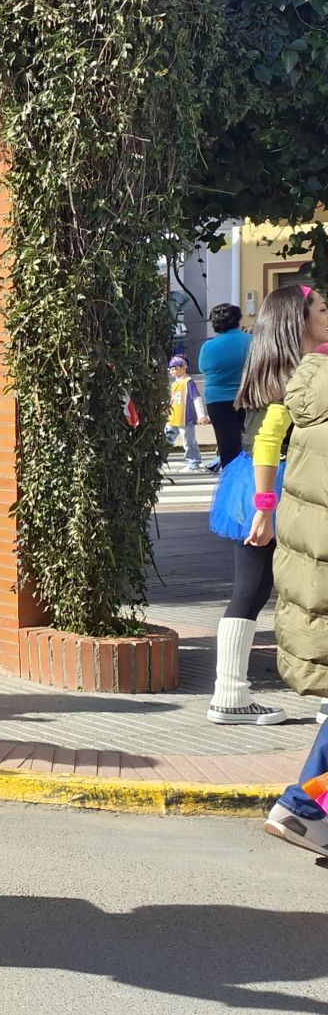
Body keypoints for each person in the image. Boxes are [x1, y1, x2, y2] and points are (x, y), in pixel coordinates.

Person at [208, 284, 326, 725]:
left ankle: (229, 694)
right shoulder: (301, 374)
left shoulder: (272, 370)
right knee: (313, 589)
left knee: (253, 590)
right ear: (300, 320)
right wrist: (265, 505)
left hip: (255, 484)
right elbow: (268, 441)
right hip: (282, 488)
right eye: (322, 308)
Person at [266, 345, 328, 853]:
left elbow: (270, 441)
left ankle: (303, 807)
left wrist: (264, 507)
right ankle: (304, 806)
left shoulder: (312, 377)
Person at [200, 304, 251, 468]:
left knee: (227, 447)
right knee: (254, 443)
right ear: (238, 320)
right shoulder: (251, 341)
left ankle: (230, 482)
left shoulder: (208, 347)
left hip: (217, 401)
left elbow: (203, 368)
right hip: (247, 397)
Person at [167, 355, 206, 473]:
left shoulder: (188, 382)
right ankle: (156, 461)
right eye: (171, 368)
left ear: (184, 367)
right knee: (165, 439)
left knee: (189, 441)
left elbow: (196, 398)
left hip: (185, 418)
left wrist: (201, 415)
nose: (172, 370)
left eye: (175, 367)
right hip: (173, 418)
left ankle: (194, 463)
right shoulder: (174, 384)